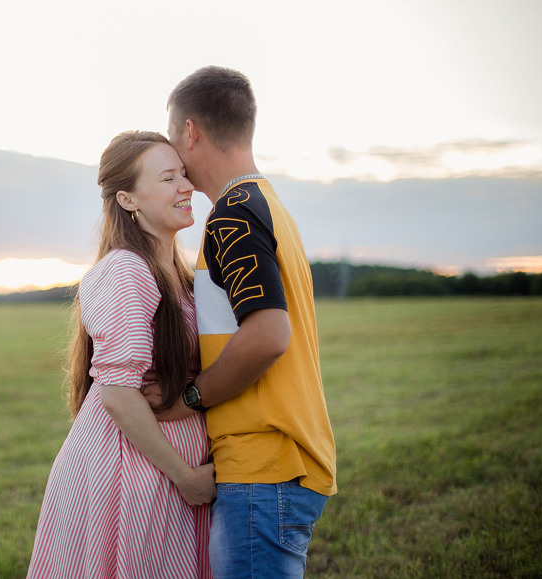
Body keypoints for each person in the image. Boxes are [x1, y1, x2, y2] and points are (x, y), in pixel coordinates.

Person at [145, 66, 337, 578]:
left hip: (264, 467)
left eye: (171, 138)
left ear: (190, 132)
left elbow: (269, 335)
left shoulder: (231, 214)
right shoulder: (266, 205)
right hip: (279, 466)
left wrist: (187, 399)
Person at [27, 131, 215, 578]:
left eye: (184, 175)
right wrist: (185, 479)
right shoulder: (125, 270)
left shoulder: (180, 274)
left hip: (164, 472)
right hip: (134, 472)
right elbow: (116, 392)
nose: (186, 187)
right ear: (128, 200)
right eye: (168, 178)